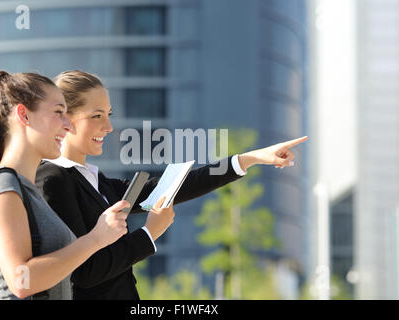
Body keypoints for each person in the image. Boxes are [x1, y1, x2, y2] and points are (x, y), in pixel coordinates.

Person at [35, 70, 308, 300]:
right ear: (65, 118)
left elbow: (175, 186)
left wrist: (250, 158)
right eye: (97, 116)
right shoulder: (52, 180)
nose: (108, 126)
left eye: (109, 114)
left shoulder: (98, 182)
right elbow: (83, 273)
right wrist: (149, 234)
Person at [0, 70, 144, 300]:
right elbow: (21, 280)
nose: (68, 125)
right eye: (59, 112)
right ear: (24, 116)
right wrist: (96, 239)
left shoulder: (26, 188)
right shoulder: (4, 186)